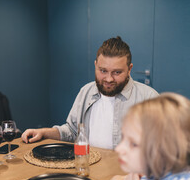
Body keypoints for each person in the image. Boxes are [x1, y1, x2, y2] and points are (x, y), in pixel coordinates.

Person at [63, 93, 190, 180]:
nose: (119, 149)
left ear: (166, 150)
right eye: (123, 138)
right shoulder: (177, 177)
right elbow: (119, 178)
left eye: (133, 144)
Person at [22, 36, 159, 149]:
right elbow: (72, 131)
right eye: (103, 71)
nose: (109, 79)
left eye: (117, 72)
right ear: (95, 65)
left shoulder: (149, 98)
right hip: (88, 169)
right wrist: (43, 133)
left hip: (126, 176)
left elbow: (160, 148)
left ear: (129, 69)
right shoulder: (86, 91)